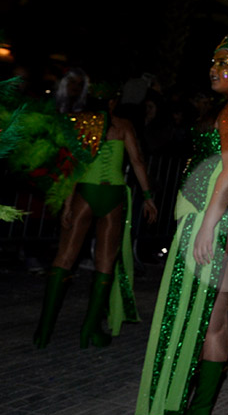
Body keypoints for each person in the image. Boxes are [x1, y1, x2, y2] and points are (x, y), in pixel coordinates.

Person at [135, 37, 228, 415]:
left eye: (226, 63)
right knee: (214, 322)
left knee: (183, 318)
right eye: (213, 61)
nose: (214, 69)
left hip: (220, 219)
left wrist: (209, 224)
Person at [33, 86, 158, 349]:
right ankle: (89, 331)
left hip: (85, 193)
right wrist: (148, 196)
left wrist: (68, 205)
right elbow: (137, 161)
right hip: (113, 195)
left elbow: (73, 167)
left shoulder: (81, 124)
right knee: (105, 262)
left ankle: (43, 333)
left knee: (65, 258)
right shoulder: (123, 125)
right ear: (114, 101)